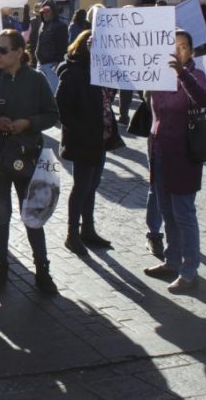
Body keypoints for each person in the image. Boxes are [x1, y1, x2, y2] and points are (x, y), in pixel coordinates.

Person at [0, 29, 59, 295]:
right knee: (0, 214)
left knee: (33, 213)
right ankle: (1, 269)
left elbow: (52, 114)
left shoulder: (36, 80)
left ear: (18, 52)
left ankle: (43, 270)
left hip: (28, 156)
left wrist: (29, 122)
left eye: (2, 50)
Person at [143, 30, 206, 294]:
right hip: (160, 151)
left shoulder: (195, 75)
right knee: (166, 212)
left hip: (184, 154)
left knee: (184, 213)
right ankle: (172, 261)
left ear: (191, 51)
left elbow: (204, 99)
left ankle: (190, 270)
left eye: (183, 46)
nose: (177, 51)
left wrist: (182, 73)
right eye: (173, 46)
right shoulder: (159, 74)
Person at [55, 30, 125, 256]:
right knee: (81, 186)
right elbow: (61, 107)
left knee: (92, 186)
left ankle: (88, 229)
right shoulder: (75, 72)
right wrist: (80, 129)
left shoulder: (102, 71)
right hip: (83, 139)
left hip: (101, 137)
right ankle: (72, 233)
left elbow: (109, 95)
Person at [31, 3, 67, 90]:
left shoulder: (60, 25)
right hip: (40, 64)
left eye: (47, 12)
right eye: (43, 12)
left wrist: (58, 62)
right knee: (40, 92)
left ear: (53, 12)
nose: (45, 14)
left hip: (52, 65)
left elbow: (63, 46)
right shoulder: (43, 24)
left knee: (54, 91)